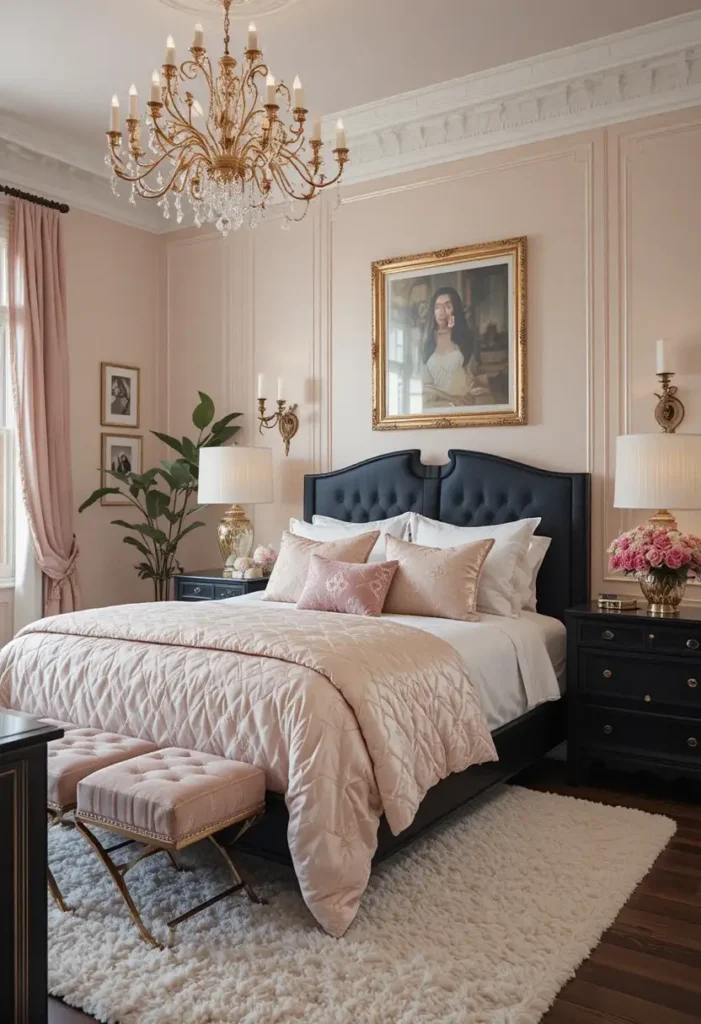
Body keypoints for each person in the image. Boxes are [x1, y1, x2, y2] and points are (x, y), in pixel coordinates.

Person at [421, 287, 491, 408]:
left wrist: (473, 387)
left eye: (448, 306)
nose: (442, 312)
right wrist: (452, 399)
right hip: (436, 406)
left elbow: (477, 376)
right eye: (437, 307)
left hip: (464, 404)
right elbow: (425, 385)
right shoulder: (426, 341)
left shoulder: (466, 338)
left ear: (455, 310)